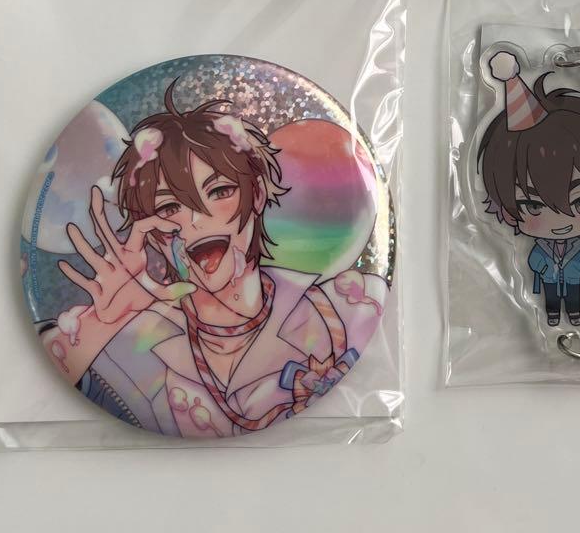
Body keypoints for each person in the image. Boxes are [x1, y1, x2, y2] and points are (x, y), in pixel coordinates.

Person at [42, 83, 385, 436]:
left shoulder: (342, 306)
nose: (196, 220)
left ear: (257, 194)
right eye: (169, 207)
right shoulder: (135, 346)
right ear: (153, 232)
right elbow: (50, 382)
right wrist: (104, 323)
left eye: (220, 191)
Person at [477, 52, 580, 327]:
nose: (561, 220)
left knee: (572, 298)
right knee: (552, 299)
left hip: (572, 281)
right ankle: (553, 314)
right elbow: (535, 261)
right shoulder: (540, 249)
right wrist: (538, 272)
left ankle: (573, 314)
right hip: (549, 281)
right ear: (511, 210)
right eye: (533, 206)